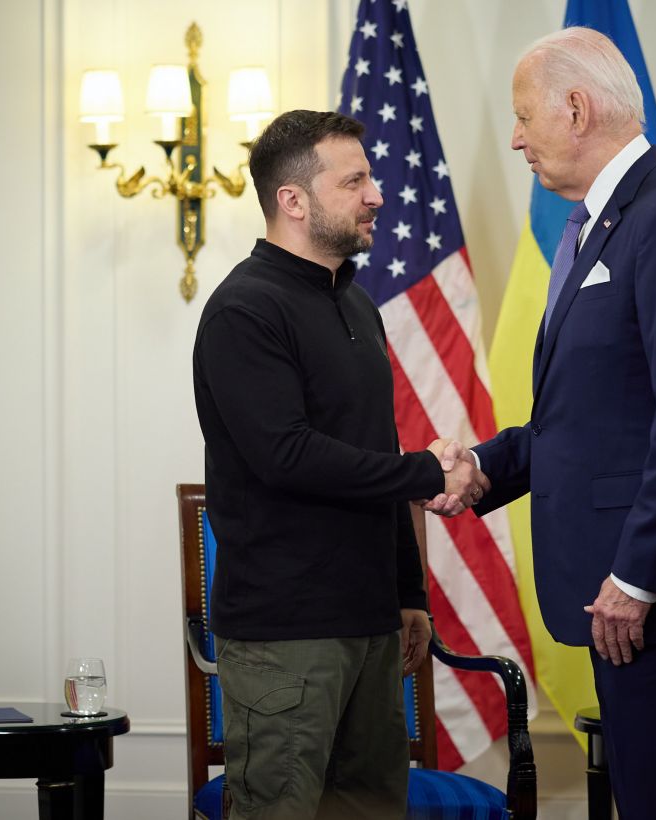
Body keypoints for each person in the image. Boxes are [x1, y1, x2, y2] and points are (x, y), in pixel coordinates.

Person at [436, 28, 656, 817]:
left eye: (525, 117)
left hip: (651, 596)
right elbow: (587, 422)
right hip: (620, 594)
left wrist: (637, 577)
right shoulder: (604, 223)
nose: (516, 139)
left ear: (577, 110)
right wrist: (483, 466)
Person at [192, 109, 488, 820]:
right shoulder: (243, 310)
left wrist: (407, 591)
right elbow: (287, 456)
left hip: (372, 621)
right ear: (293, 200)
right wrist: (427, 472)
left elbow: (373, 451)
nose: (376, 195)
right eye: (354, 181)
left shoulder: (357, 305)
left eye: (371, 178)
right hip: (285, 632)